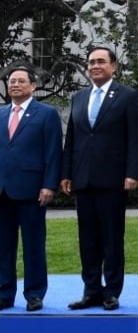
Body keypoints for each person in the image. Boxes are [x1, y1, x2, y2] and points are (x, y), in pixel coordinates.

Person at [62, 47, 138, 311]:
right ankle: (91, 291)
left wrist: (132, 173)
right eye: (91, 62)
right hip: (83, 179)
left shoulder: (127, 96)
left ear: (114, 66)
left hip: (113, 180)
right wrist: (66, 173)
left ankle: (111, 292)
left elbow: (134, 137)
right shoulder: (79, 97)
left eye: (100, 61)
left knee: (111, 239)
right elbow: (72, 139)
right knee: (88, 240)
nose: (95, 66)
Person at [0, 66, 62, 312]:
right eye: (11, 81)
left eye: (20, 81)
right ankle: (4, 293)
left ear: (33, 86)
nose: (14, 84)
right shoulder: (1, 114)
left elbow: (53, 152)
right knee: (3, 246)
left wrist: (49, 184)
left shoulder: (46, 114)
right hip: (2, 191)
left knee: (33, 245)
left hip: (33, 190)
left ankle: (34, 294)